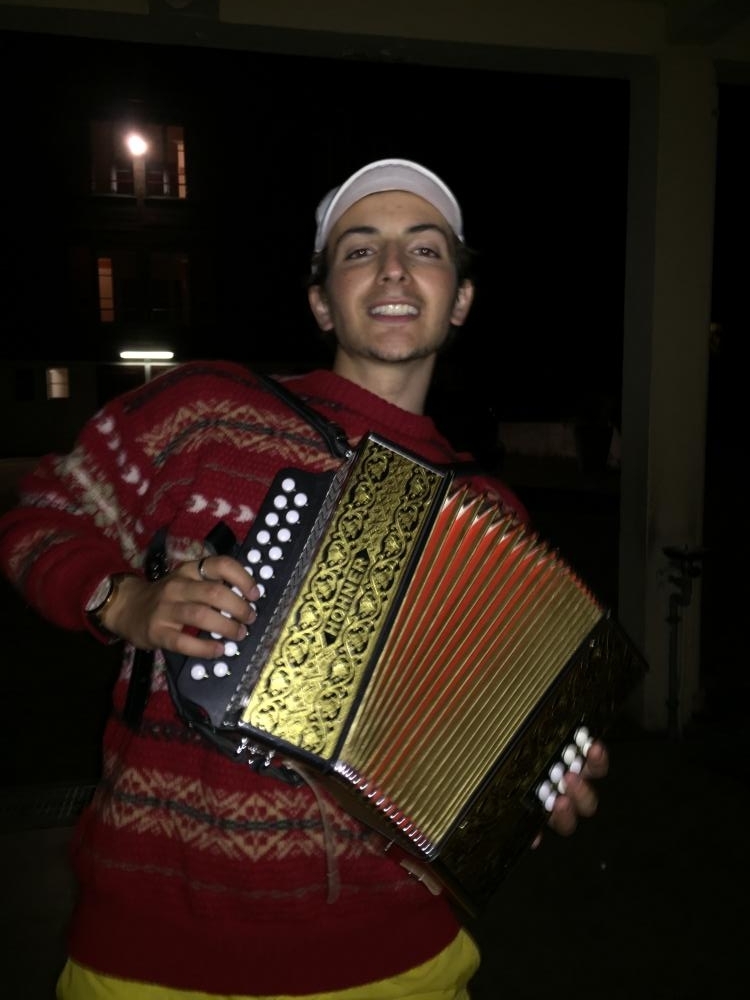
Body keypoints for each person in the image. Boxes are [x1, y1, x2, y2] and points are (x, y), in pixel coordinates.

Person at [0, 158, 609, 1000]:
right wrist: (122, 598)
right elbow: (39, 516)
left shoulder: (489, 514)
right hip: (150, 955)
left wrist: (523, 793)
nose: (393, 269)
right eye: (360, 250)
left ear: (461, 298)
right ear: (322, 301)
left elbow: (471, 753)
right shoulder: (204, 408)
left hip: (402, 963)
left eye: (424, 249)